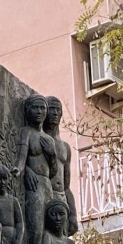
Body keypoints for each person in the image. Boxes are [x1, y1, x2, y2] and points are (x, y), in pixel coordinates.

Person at [12, 94, 58, 244]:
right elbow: (21, 158)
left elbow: (53, 173)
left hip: (47, 186)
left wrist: (52, 155)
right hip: (34, 185)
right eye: (35, 108)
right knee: (36, 229)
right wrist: (21, 171)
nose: (39, 111)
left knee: (48, 231)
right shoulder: (26, 132)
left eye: (42, 108)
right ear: (27, 110)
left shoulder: (49, 140)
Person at [44, 96, 79, 236]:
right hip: (45, 194)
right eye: (51, 109)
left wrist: (73, 215)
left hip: (61, 198)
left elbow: (66, 186)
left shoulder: (65, 147)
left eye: (58, 110)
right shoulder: (38, 139)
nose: (55, 113)